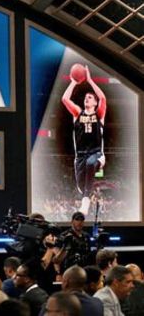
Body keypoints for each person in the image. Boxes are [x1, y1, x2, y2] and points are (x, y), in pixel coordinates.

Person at [61, 64, 106, 215]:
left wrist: (90, 80)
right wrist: (73, 81)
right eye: (86, 97)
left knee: (91, 163)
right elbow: (65, 99)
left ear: (95, 103)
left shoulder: (99, 114)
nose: (87, 98)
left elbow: (103, 98)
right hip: (80, 156)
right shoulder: (77, 113)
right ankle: (86, 195)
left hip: (96, 153)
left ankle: (86, 200)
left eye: (90, 97)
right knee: (81, 186)